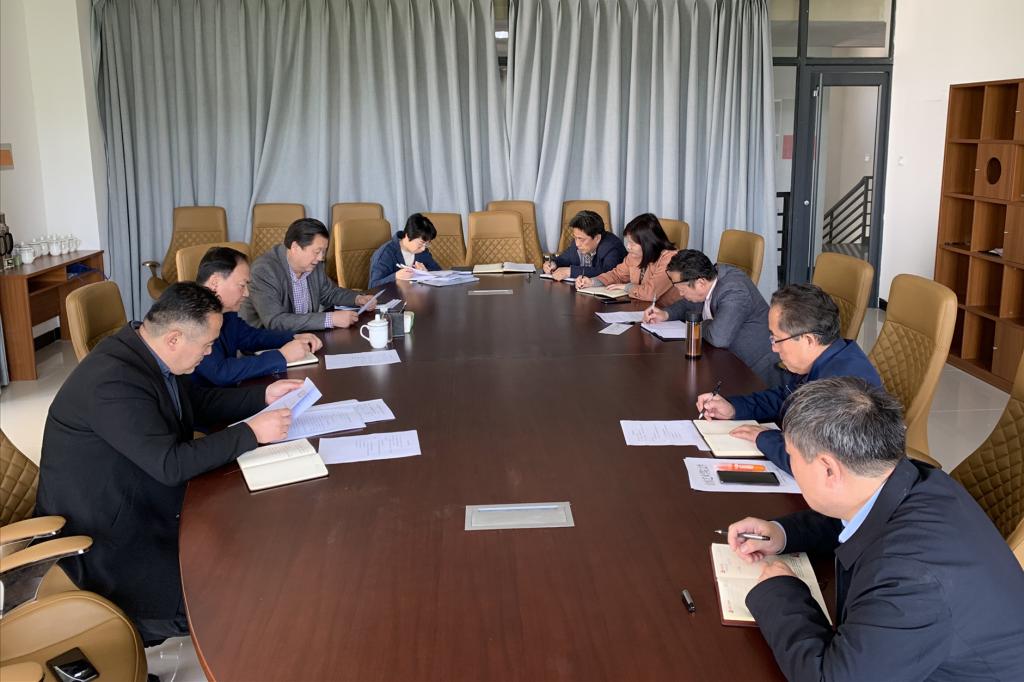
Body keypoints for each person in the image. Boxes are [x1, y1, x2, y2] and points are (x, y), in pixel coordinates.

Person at [35, 282, 301, 644]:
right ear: (174, 338)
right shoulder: (112, 381)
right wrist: (251, 433)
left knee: (251, 534)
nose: (210, 353)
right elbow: (170, 464)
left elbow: (197, 405)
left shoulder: (148, 353)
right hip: (108, 534)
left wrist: (262, 396)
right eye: (207, 344)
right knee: (223, 595)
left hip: (144, 495)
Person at [726, 377, 1024, 681]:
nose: (790, 462)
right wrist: (782, 533)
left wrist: (780, 590)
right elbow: (853, 515)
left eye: (791, 455)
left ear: (828, 469)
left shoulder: (908, 579)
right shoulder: (912, 478)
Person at [696, 283, 881, 474]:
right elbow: (786, 398)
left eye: (776, 339)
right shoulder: (824, 359)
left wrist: (764, 438)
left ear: (808, 340)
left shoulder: (844, 389)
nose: (773, 348)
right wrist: (734, 408)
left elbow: (815, 464)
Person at [645, 249, 783, 386]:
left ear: (701, 283)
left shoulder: (734, 291)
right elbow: (688, 303)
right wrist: (665, 314)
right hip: (727, 361)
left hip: (756, 371)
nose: (680, 294)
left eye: (682, 289)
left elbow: (719, 338)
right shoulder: (711, 279)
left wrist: (700, 324)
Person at [192, 246, 323, 386]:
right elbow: (221, 372)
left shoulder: (226, 312)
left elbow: (251, 336)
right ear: (215, 282)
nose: (246, 293)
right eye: (242, 285)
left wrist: (293, 337)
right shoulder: (193, 316)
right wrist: (282, 356)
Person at [241, 218, 377, 331]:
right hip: (267, 343)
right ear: (295, 247)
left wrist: (358, 299)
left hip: (304, 336)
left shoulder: (312, 265)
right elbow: (275, 321)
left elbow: (330, 293)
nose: (321, 258)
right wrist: (330, 319)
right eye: (317, 251)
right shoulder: (265, 270)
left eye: (323, 252)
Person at [542, 210, 626, 281]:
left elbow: (608, 273)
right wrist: (553, 263)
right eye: (575, 237)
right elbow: (564, 259)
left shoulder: (611, 247)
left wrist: (570, 271)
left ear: (597, 238)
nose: (577, 243)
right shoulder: (577, 242)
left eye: (581, 239)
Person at [368, 213, 443, 287]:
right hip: (393, 294)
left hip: (416, 293)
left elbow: (439, 273)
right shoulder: (385, 254)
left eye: (427, 244)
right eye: (421, 243)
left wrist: (427, 273)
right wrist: (395, 277)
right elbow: (373, 286)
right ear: (408, 235)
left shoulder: (422, 252)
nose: (423, 248)